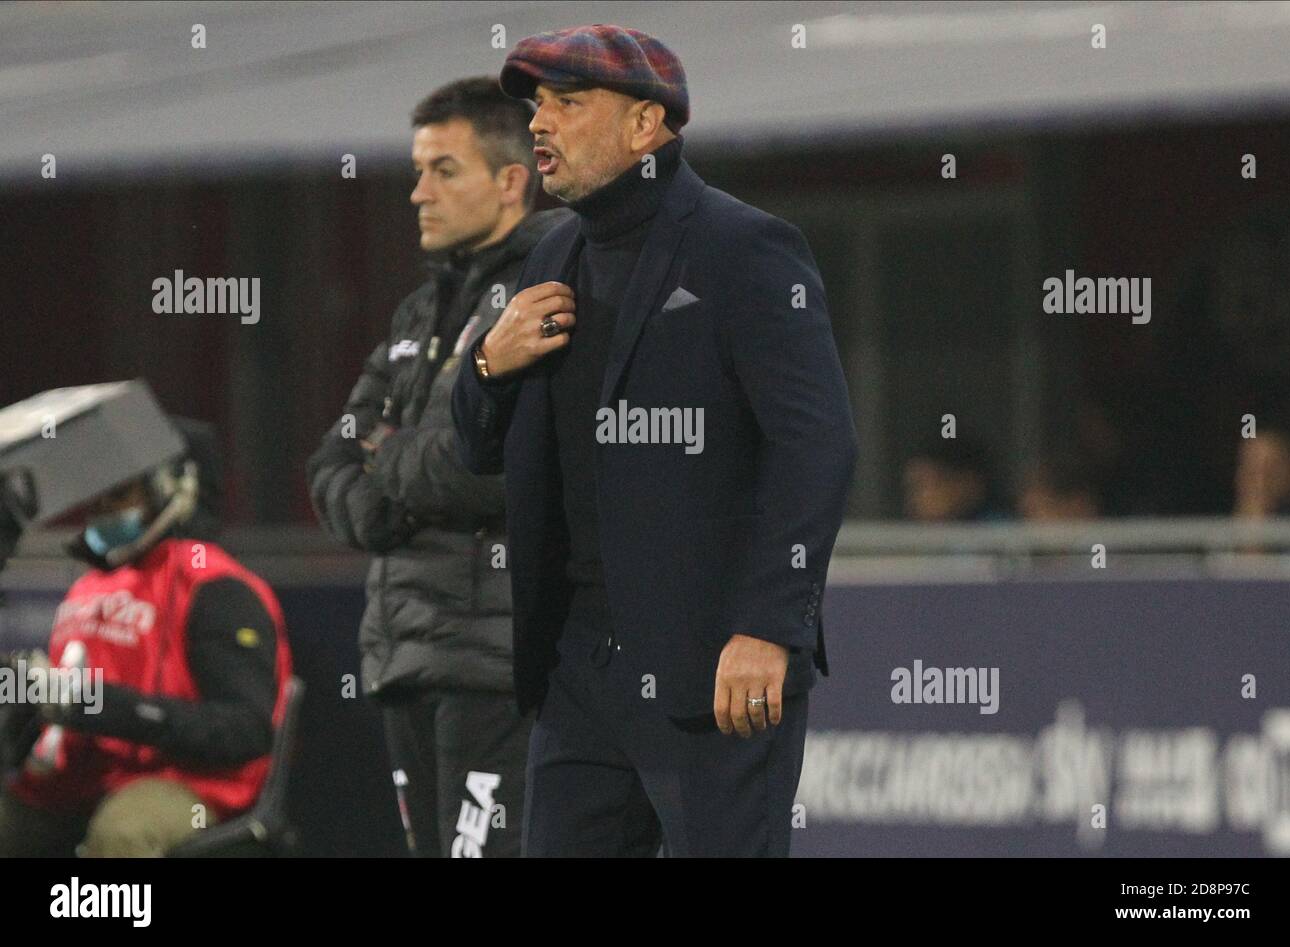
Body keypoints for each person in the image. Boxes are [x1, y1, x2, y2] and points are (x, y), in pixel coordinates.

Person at [451, 25, 857, 857]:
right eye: (537, 105)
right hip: (575, 671)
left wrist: (770, 626)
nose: (539, 124)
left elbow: (816, 446)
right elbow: (477, 451)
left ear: (646, 126)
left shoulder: (745, 247)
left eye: (568, 102)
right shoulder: (550, 257)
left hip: (712, 664)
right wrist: (488, 366)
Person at [307, 77, 570, 857]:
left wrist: (392, 466)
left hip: (494, 661)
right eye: (418, 170)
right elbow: (334, 453)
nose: (418, 193)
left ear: (511, 180)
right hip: (403, 654)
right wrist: (389, 491)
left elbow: (501, 463)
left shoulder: (547, 290)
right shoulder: (418, 313)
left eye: (444, 170)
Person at [0, 419, 292, 857]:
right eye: (97, 494)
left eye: (119, 494)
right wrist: (21, 685)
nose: (100, 508)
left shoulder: (215, 587)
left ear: (175, 488)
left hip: (192, 784)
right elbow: (67, 702)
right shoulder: (93, 584)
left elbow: (245, 731)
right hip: (87, 775)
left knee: (125, 833)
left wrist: (97, 705)